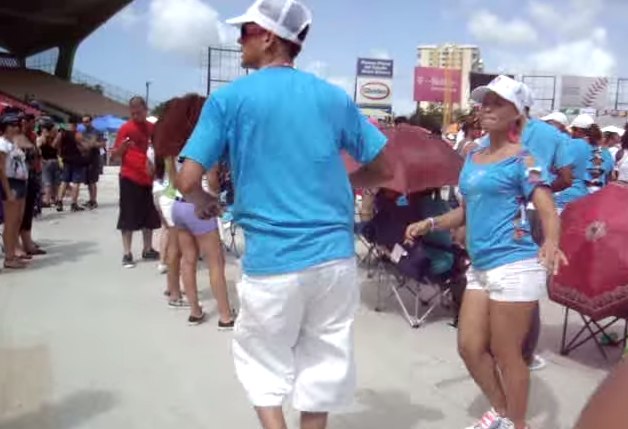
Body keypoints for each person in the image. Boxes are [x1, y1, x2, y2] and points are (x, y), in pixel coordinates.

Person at [176, 1, 390, 427]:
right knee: (322, 373)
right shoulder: (333, 97)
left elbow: (186, 180)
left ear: (269, 37)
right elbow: (384, 169)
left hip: (273, 261)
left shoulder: (229, 99)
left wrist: (201, 199)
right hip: (334, 259)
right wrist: (344, 182)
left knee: (262, 368)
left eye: (245, 32)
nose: (239, 40)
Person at [406, 75, 566, 429]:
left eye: (498, 102)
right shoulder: (473, 156)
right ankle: (503, 412)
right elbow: (466, 211)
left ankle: (516, 423)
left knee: (507, 355)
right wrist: (430, 223)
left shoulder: (525, 160)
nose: (487, 108)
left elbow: (546, 206)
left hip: (514, 266)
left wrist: (551, 241)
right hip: (480, 267)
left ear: (517, 114)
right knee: (469, 346)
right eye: (485, 101)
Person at [172, 165, 234, 327]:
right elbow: (212, 181)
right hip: (199, 206)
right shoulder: (203, 152)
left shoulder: (178, 153)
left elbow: (174, 179)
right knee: (215, 262)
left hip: (178, 204)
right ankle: (225, 316)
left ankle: (195, 312)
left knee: (188, 259)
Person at [111, 96, 161, 268]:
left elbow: (159, 149)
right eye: (133, 113)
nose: (136, 116)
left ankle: (148, 248)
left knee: (149, 215)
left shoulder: (152, 128)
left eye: (139, 112)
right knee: (128, 215)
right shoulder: (126, 128)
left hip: (148, 178)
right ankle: (127, 253)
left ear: (146, 110)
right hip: (129, 177)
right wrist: (121, 149)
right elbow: (114, 156)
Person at [0, 112, 29, 269]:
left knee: (17, 220)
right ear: (4, 127)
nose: (15, 128)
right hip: (11, 183)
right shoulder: (2, 144)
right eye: (12, 125)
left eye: (16, 125)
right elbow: (1, 169)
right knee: (10, 223)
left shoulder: (14, 143)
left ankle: (13, 252)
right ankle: (9, 258)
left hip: (20, 182)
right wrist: (8, 190)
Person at [16, 113, 45, 257]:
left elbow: (36, 156)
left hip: (32, 176)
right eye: (32, 122)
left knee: (28, 212)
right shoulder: (15, 138)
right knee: (18, 215)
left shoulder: (31, 136)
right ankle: (16, 245)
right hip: (19, 179)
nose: (34, 125)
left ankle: (27, 242)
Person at [571, 114, 613, 193]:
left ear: (579, 131)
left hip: (574, 193)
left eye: (573, 130)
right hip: (598, 195)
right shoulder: (606, 152)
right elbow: (610, 177)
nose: (571, 133)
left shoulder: (574, 145)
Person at [57, 117, 88, 212]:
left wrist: (61, 152)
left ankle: (59, 202)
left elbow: (55, 145)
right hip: (76, 160)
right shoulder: (78, 134)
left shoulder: (62, 134)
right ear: (77, 124)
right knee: (76, 182)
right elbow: (84, 147)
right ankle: (73, 204)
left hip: (66, 160)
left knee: (64, 181)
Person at [79, 115, 106, 209]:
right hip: (85, 158)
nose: (85, 123)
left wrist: (93, 144)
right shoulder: (82, 132)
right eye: (83, 122)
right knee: (87, 180)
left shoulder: (97, 132)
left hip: (94, 158)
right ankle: (91, 199)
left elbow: (103, 144)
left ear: (91, 121)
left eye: (87, 121)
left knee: (93, 180)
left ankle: (94, 201)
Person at [38, 120, 61, 207]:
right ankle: (56, 199)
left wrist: (40, 159)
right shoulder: (55, 137)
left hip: (46, 161)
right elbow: (58, 150)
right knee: (56, 182)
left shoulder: (42, 138)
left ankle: (47, 200)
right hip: (55, 160)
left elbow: (38, 149)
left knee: (47, 181)